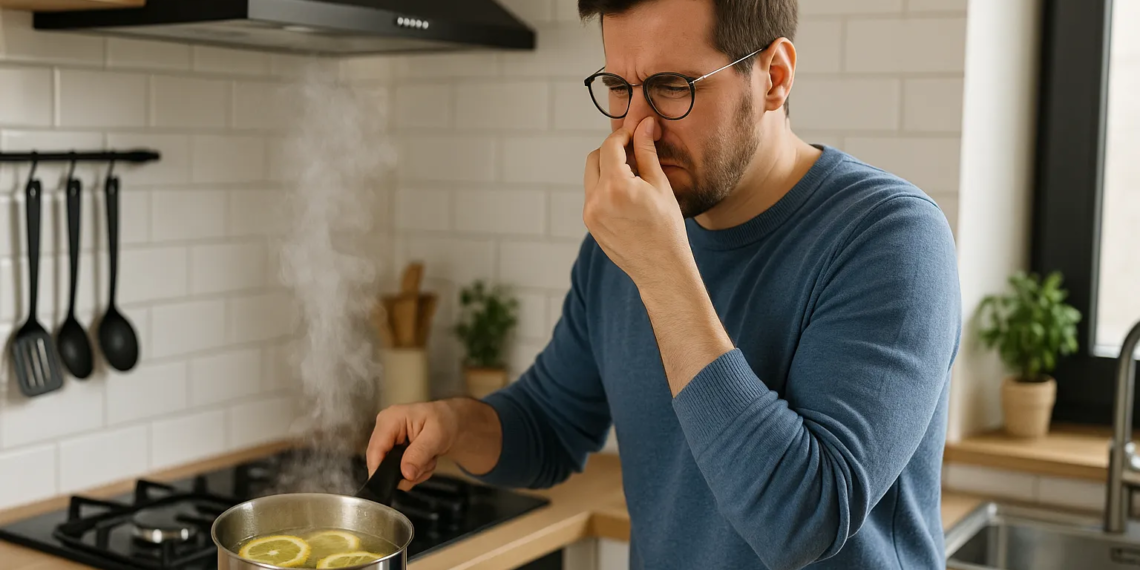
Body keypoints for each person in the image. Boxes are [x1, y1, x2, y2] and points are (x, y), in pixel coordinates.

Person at [366, 0, 961, 568]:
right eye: (619, 89)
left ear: (774, 77)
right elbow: (550, 424)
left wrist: (661, 267)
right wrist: (454, 425)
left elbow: (802, 521)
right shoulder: (632, 236)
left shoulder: (892, 239)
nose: (636, 128)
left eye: (673, 86)